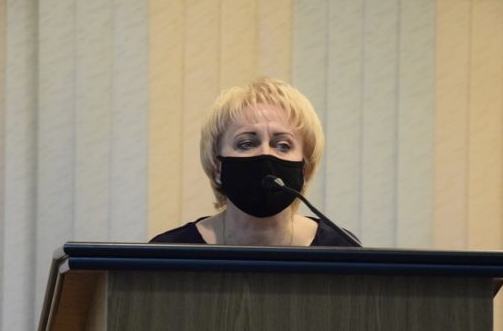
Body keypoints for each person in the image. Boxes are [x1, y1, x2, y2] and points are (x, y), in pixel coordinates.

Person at [150, 77, 355, 246]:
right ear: (217, 167)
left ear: (305, 169)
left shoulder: (342, 249)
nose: (265, 153)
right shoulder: (169, 251)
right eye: (246, 144)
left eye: (283, 145)